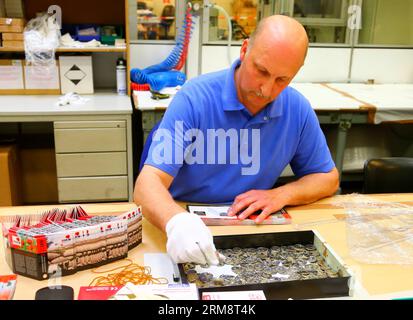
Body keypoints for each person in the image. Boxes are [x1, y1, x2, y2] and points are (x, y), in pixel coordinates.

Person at [134, 15, 339, 266]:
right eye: (261, 71)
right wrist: (177, 223)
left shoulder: (297, 109)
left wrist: (281, 194)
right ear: (244, 50)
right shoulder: (194, 98)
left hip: (250, 229)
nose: (266, 89)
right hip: (181, 224)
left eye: (282, 80)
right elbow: (147, 185)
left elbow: (327, 178)